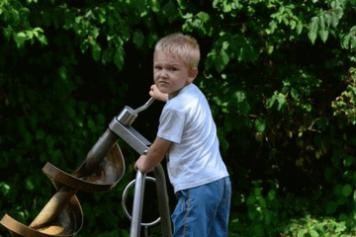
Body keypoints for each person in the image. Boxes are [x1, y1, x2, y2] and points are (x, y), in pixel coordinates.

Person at [135, 32, 231, 237]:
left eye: (172, 69)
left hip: (196, 187)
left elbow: (160, 148)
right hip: (219, 182)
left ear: (191, 74)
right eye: (158, 67)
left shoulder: (175, 109)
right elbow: (181, 105)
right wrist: (164, 96)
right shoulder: (193, 93)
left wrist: (146, 163)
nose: (163, 74)